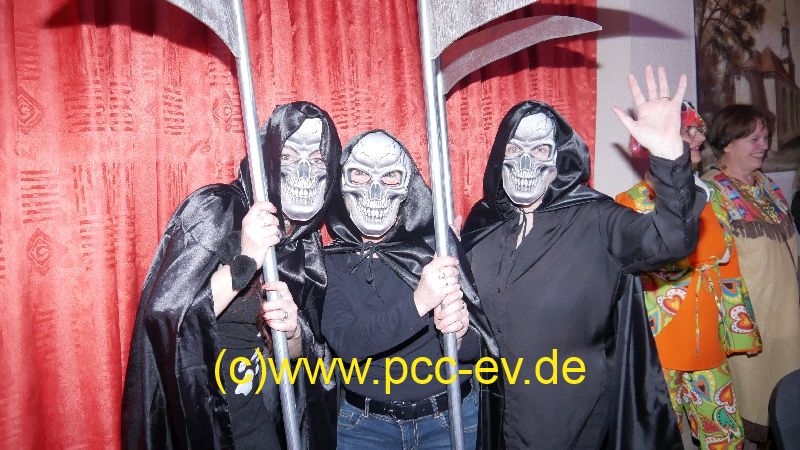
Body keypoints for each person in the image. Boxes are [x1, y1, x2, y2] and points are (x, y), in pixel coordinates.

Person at [462, 66, 700, 449]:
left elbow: (671, 239)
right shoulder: (483, 221)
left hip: (572, 414)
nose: (525, 164)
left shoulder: (597, 219)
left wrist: (669, 157)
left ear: (559, 160)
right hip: (494, 408)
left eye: (540, 150)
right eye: (514, 150)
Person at [122, 101, 341, 449]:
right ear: (268, 160)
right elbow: (169, 317)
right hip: (204, 421)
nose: (304, 170)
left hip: (256, 422)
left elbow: (296, 360)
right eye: (288, 156)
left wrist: (294, 331)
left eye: (317, 160)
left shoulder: (303, 247)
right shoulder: (219, 209)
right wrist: (246, 260)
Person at [321, 130, 496, 449]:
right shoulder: (333, 260)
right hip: (365, 428)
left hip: (447, 420)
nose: (375, 191)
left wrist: (459, 334)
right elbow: (346, 342)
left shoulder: (434, 248)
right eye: (360, 175)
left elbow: (475, 349)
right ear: (341, 187)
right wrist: (420, 302)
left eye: (390, 177)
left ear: (407, 187)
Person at [617, 102, 762, 449]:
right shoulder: (628, 205)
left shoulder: (712, 197)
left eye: (699, 130)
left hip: (709, 345)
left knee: (726, 439)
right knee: (657, 440)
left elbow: (729, 268)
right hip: (658, 350)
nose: (698, 138)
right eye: (687, 130)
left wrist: (738, 328)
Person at [702, 104, 800, 445]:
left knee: (788, 398)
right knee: (757, 401)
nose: (764, 145)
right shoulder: (711, 191)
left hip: (788, 314)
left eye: (766, 137)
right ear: (728, 143)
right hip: (752, 325)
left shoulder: (766, 185)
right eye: (754, 139)